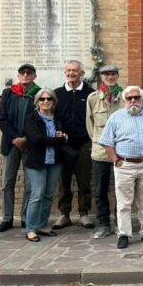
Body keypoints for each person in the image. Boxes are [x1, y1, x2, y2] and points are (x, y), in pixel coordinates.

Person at [100, 85, 143, 249]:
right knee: (124, 203)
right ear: (124, 101)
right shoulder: (115, 117)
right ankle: (124, 234)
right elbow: (107, 142)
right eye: (129, 98)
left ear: (142, 99)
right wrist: (116, 160)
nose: (133, 101)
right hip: (125, 165)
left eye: (136, 98)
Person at [0, 63, 39, 232]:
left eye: (29, 73)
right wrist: (15, 138)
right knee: (7, 182)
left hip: (30, 145)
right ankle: (7, 218)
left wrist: (27, 139)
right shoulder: (8, 93)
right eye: (23, 72)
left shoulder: (39, 94)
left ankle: (25, 217)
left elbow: (40, 120)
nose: (26, 75)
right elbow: (2, 119)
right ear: (18, 75)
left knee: (30, 184)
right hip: (10, 144)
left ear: (34, 76)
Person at [53, 60, 95, 230]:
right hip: (63, 145)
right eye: (68, 70)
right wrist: (58, 131)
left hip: (84, 144)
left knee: (84, 181)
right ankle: (64, 214)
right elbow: (52, 116)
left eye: (75, 71)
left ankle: (84, 214)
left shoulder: (91, 94)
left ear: (82, 73)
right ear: (65, 72)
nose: (71, 73)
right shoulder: (57, 93)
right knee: (63, 182)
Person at [23, 88, 69, 243]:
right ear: (37, 102)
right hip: (37, 162)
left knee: (49, 195)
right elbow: (37, 139)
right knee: (37, 195)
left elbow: (64, 134)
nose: (46, 101)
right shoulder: (32, 118)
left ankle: (42, 225)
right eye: (42, 99)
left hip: (55, 161)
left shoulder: (58, 118)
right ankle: (30, 229)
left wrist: (63, 136)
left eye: (49, 98)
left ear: (54, 101)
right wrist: (59, 139)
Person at [85, 64, 124, 239]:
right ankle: (103, 224)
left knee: (121, 189)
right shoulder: (93, 98)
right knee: (100, 190)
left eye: (113, 74)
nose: (110, 77)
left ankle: (120, 223)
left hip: (121, 152)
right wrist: (100, 141)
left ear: (117, 76)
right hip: (100, 152)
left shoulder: (125, 97)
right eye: (106, 74)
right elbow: (90, 124)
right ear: (101, 77)